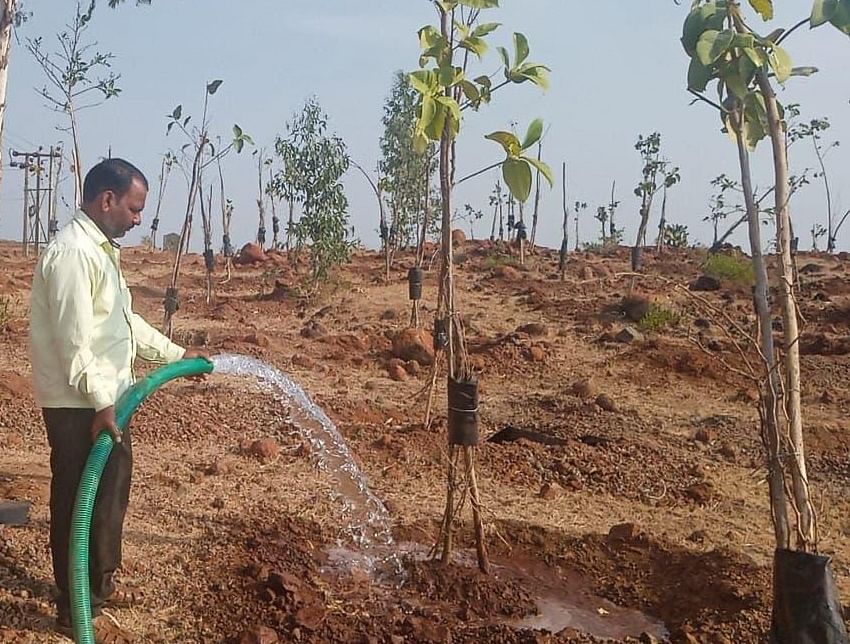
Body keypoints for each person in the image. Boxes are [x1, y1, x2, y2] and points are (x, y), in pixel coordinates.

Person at [29, 158, 207, 640]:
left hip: (106, 399)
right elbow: (74, 342)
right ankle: (75, 606)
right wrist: (99, 402)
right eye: (134, 208)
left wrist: (175, 355)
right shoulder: (71, 254)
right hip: (80, 404)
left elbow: (124, 325)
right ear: (107, 199)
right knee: (78, 500)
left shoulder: (101, 251)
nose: (138, 219)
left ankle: (98, 587)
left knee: (108, 497)